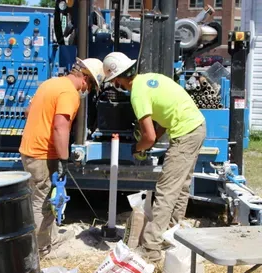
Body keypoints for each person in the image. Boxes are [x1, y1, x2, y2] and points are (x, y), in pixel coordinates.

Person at [102, 52, 206, 262]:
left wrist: (138, 148)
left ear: (118, 79)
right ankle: (171, 233)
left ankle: (151, 249)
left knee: (166, 190)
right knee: (181, 187)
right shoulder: (150, 80)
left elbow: (148, 136)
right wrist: (151, 142)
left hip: (185, 133)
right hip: (197, 126)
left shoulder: (137, 94)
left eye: (113, 80)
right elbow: (163, 120)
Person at [19, 57, 105, 258]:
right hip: (41, 153)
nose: (87, 90)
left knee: (41, 196)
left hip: (29, 148)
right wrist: (63, 159)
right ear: (85, 78)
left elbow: (28, 111)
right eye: (91, 86)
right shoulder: (69, 93)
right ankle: (39, 250)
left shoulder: (50, 83)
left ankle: (49, 239)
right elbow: (60, 126)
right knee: (42, 201)